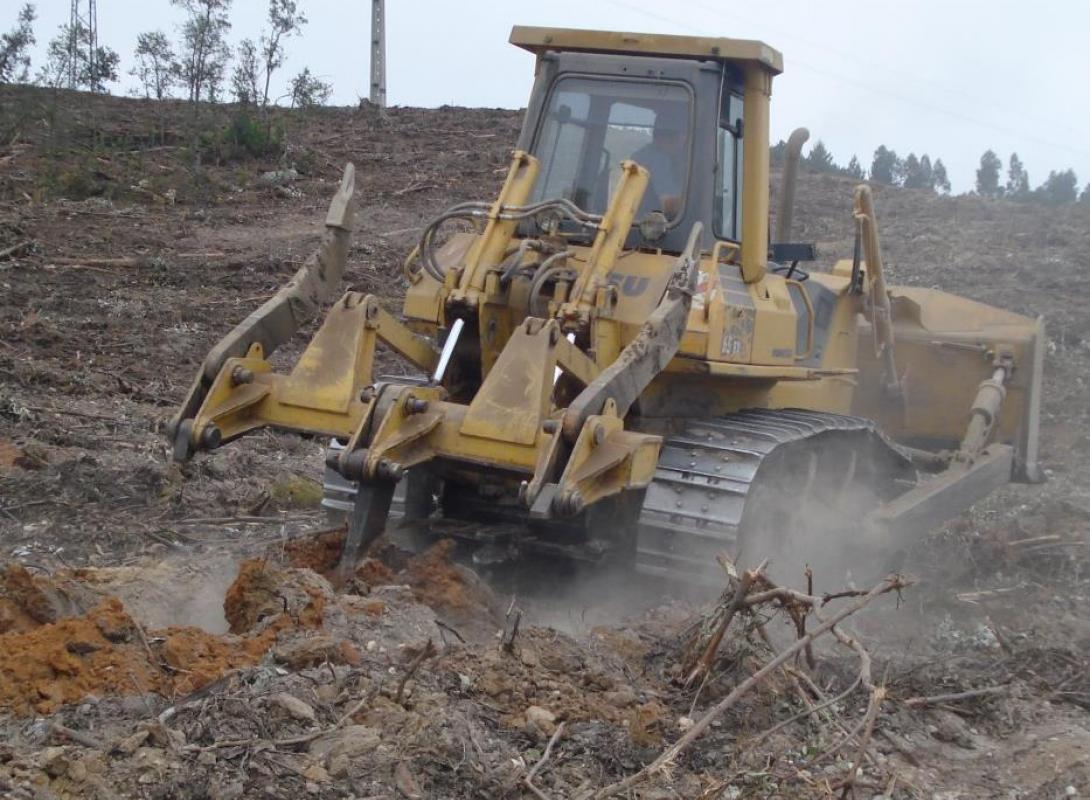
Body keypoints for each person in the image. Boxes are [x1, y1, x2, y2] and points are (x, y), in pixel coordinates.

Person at [631, 114, 687, 218]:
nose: (685, 141)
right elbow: (668, 205)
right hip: (650, 223)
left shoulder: (676, 156)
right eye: (684, 134)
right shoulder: (654, 158)